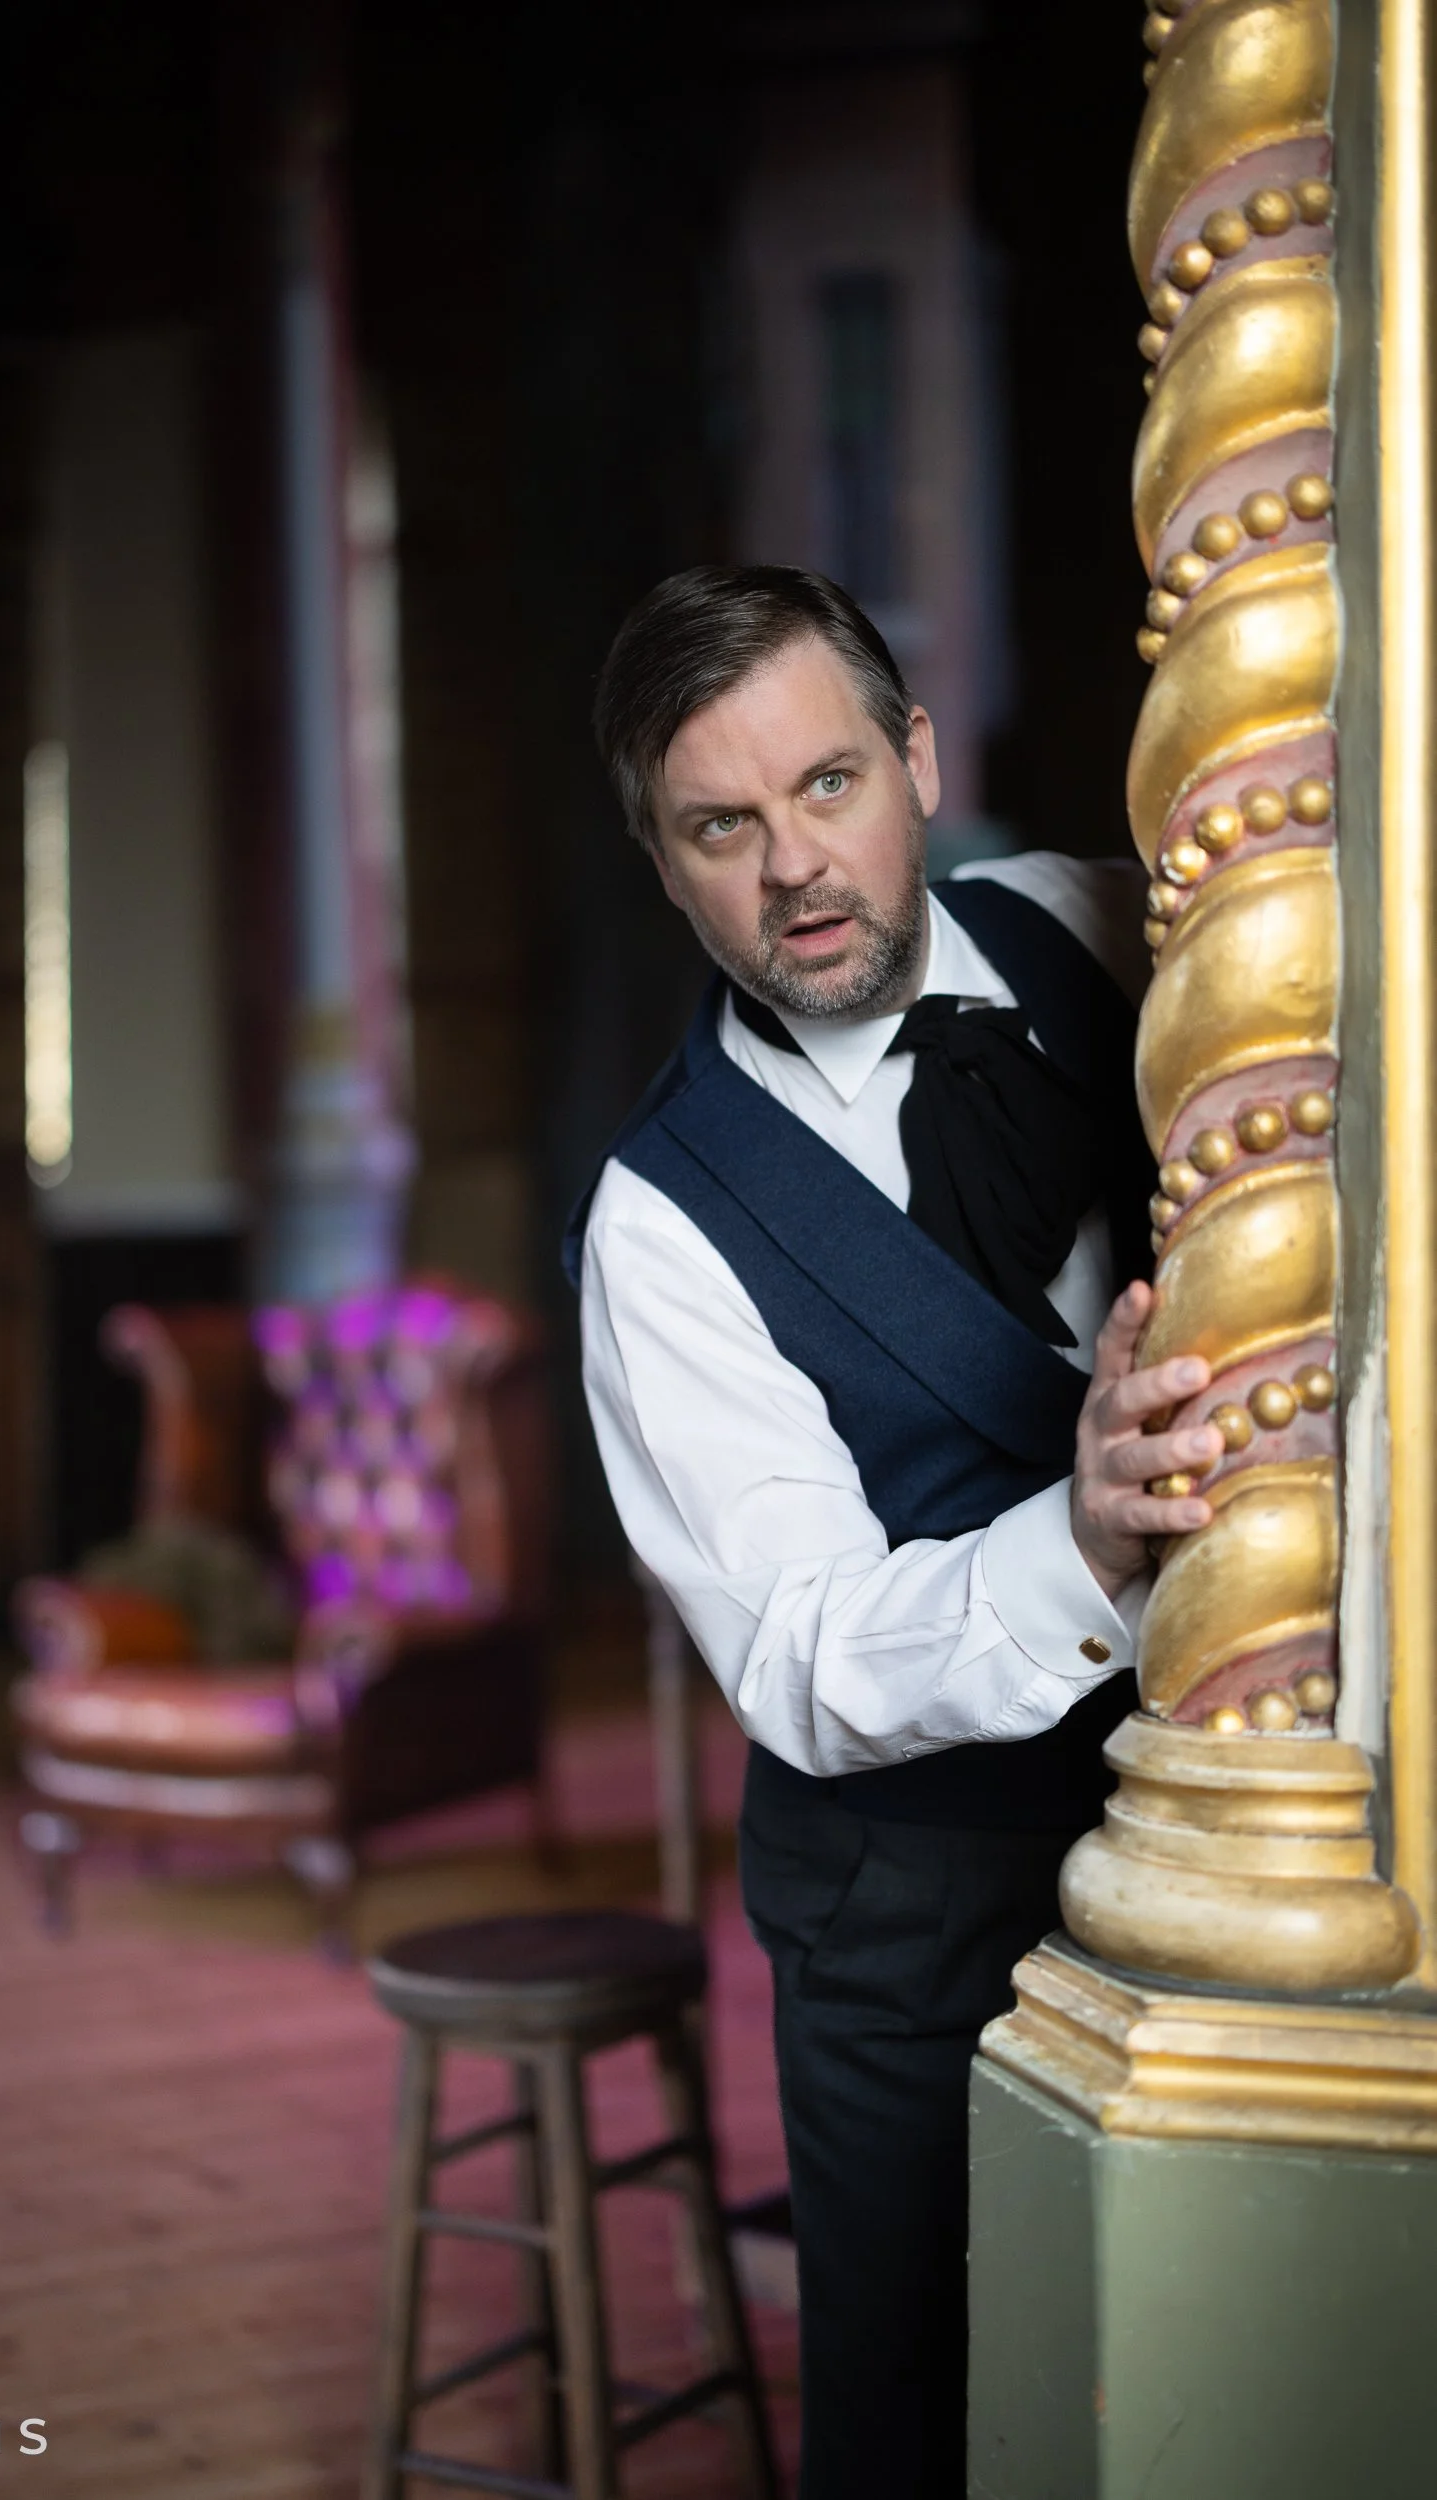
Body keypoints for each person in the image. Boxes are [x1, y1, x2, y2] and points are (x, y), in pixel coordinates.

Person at [564, 566, 1223, 2500]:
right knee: (921, 2422)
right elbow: (804, 1657)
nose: (795, 867)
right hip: (914, 1925)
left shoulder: (1091, 918)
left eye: (829, 784)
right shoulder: (659, 1229)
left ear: (918, 760)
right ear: (667, 871)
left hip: (1229, 1813)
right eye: (720, 827)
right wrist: (1083, 1539)